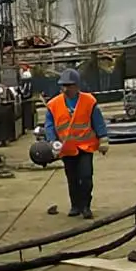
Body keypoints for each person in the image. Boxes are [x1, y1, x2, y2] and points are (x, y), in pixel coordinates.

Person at [40, 73, 104, 219]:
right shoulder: (54, 104)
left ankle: (86, 206)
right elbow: (49, 125)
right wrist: (52, 141)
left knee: (86, 176)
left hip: (85, 146)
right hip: (67, 149)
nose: (65, 89)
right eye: (63, 86)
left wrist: (103, 139)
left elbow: (98, 121)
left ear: (77, 86)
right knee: (72, 178)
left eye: (69, 85)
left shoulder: (89, 101)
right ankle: (75, 205)